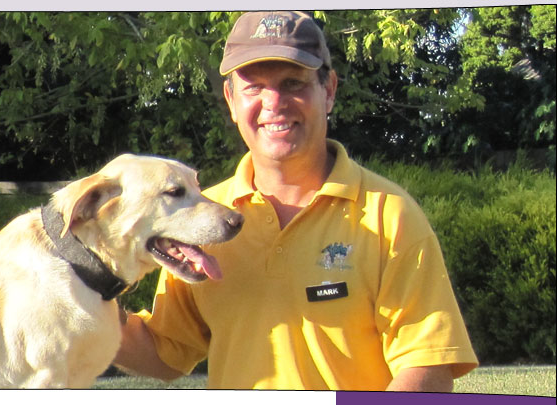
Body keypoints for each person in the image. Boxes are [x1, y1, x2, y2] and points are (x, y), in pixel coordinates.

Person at [113, 10, 479, 391]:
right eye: (254, 86)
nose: (274, 102)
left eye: (293, 83)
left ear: (330, 90)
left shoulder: (390, 214)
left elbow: (427, 368)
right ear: (231, 99)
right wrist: (82, 296)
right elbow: (164, 352)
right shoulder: (200, 217)